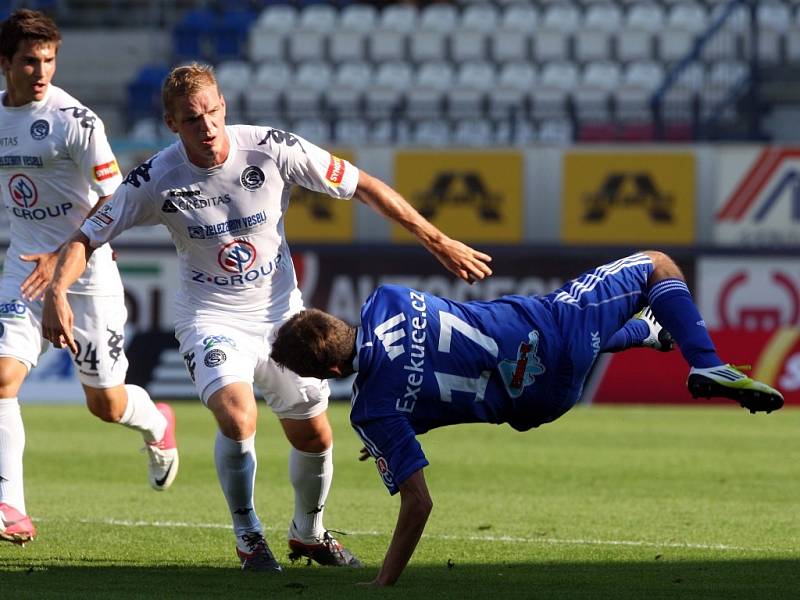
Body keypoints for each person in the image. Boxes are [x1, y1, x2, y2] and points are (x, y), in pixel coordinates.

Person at [40, 63, 493, 571]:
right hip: (210, 317)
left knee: (315, 435)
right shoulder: (155, 177)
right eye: (192, 119)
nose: (207, 126)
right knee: (238, 416)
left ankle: (309, 532)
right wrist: (58, 289)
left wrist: (437, 238)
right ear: (172, 124)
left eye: (212, 112)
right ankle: (248, 534)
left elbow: (362, 184)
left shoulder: (271, 148)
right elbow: (86, 236)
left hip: (282, 318)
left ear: (224, 106)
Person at [269, 250, 784, 586]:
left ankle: (650, 335)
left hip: (541, 402)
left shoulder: (373, 413)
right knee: (657, 266)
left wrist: (384, 581)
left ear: (332, 371)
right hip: (548, 333)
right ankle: (706, 363)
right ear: (335, 321)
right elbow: (428, 360)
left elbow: (419, 503)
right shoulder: (388, 298)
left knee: (584, 335)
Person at [0, 9, 178, 546]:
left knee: (106, 404)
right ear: (4, 62)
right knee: (3, 379)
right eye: (29, 61)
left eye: (49, 60)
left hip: (85, 270)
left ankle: (157, 422)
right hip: (21, 269)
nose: (41, 71)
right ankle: (12, 505)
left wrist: (64, 257)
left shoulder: (75, 122)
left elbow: (116, 198)